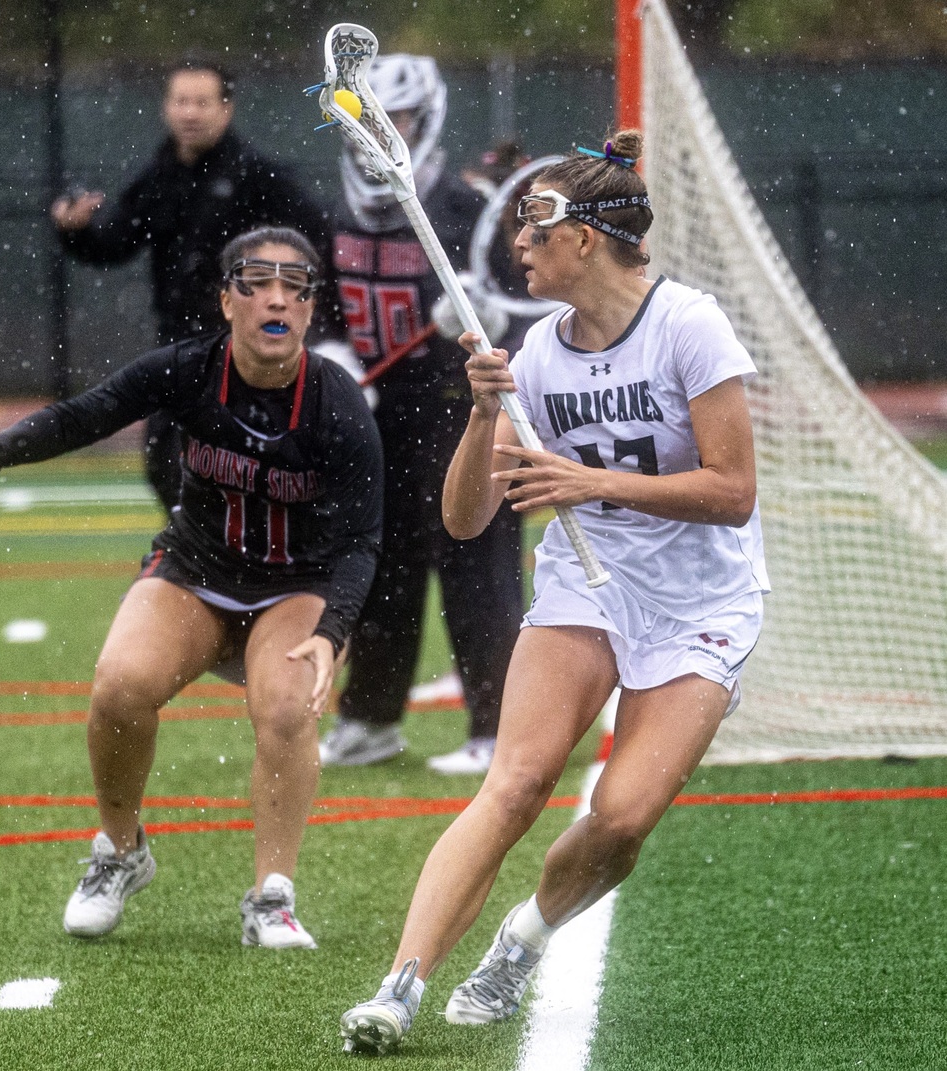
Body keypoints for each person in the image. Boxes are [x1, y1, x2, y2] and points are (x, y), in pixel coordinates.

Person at [337, 131, 767, 1053]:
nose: (517, 244)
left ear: (587, 238)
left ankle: (523, 935)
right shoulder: (532, 355)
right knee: (517, 780)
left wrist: (590, 483)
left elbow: (733, 493)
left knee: (621, 816)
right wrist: (486, 408)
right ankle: (398, 988)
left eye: (535, 224)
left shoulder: (688, 325)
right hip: (587, 590)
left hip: (699, 603)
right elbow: (463, 518)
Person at [0, 226, 383, 949]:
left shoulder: (338, 405)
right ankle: (120, 851)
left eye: (293, 286)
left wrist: (332, 635)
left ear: (309, 309)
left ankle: (272, 896)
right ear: (226, 300)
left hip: (295, 584)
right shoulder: (186, 369)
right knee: (119, 682)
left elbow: (363, 541)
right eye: (256, 282)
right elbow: (86, 413)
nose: (276, 298)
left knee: (286, 705)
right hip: (196, 570)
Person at [315, 55, 522, 776]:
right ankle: (371, 717)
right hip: (381, 416)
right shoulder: (335, 207)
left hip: (461, 410)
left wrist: (483, 314)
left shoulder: (465, 211)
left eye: (396, 119)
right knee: (380, 565)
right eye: (371, 118)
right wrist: (332, 351)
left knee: (477, 563)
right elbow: (328, 305)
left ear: (424, 121)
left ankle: (499, 728)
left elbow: (524, 307)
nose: (383, 132)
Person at [52, 57, 337, 514]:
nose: (190, 113)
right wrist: (76, 230)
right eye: (181, 101)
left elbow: (318, 240)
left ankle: (245, 559)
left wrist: (310, 316)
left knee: (248, 462)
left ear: (226, 109)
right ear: (166, 107)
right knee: (165, 461)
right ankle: (200, 557)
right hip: (179, 346)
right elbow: (116, 242)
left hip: (244, 348)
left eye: (202, 102)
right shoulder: (159, 175)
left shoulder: (257, 176)